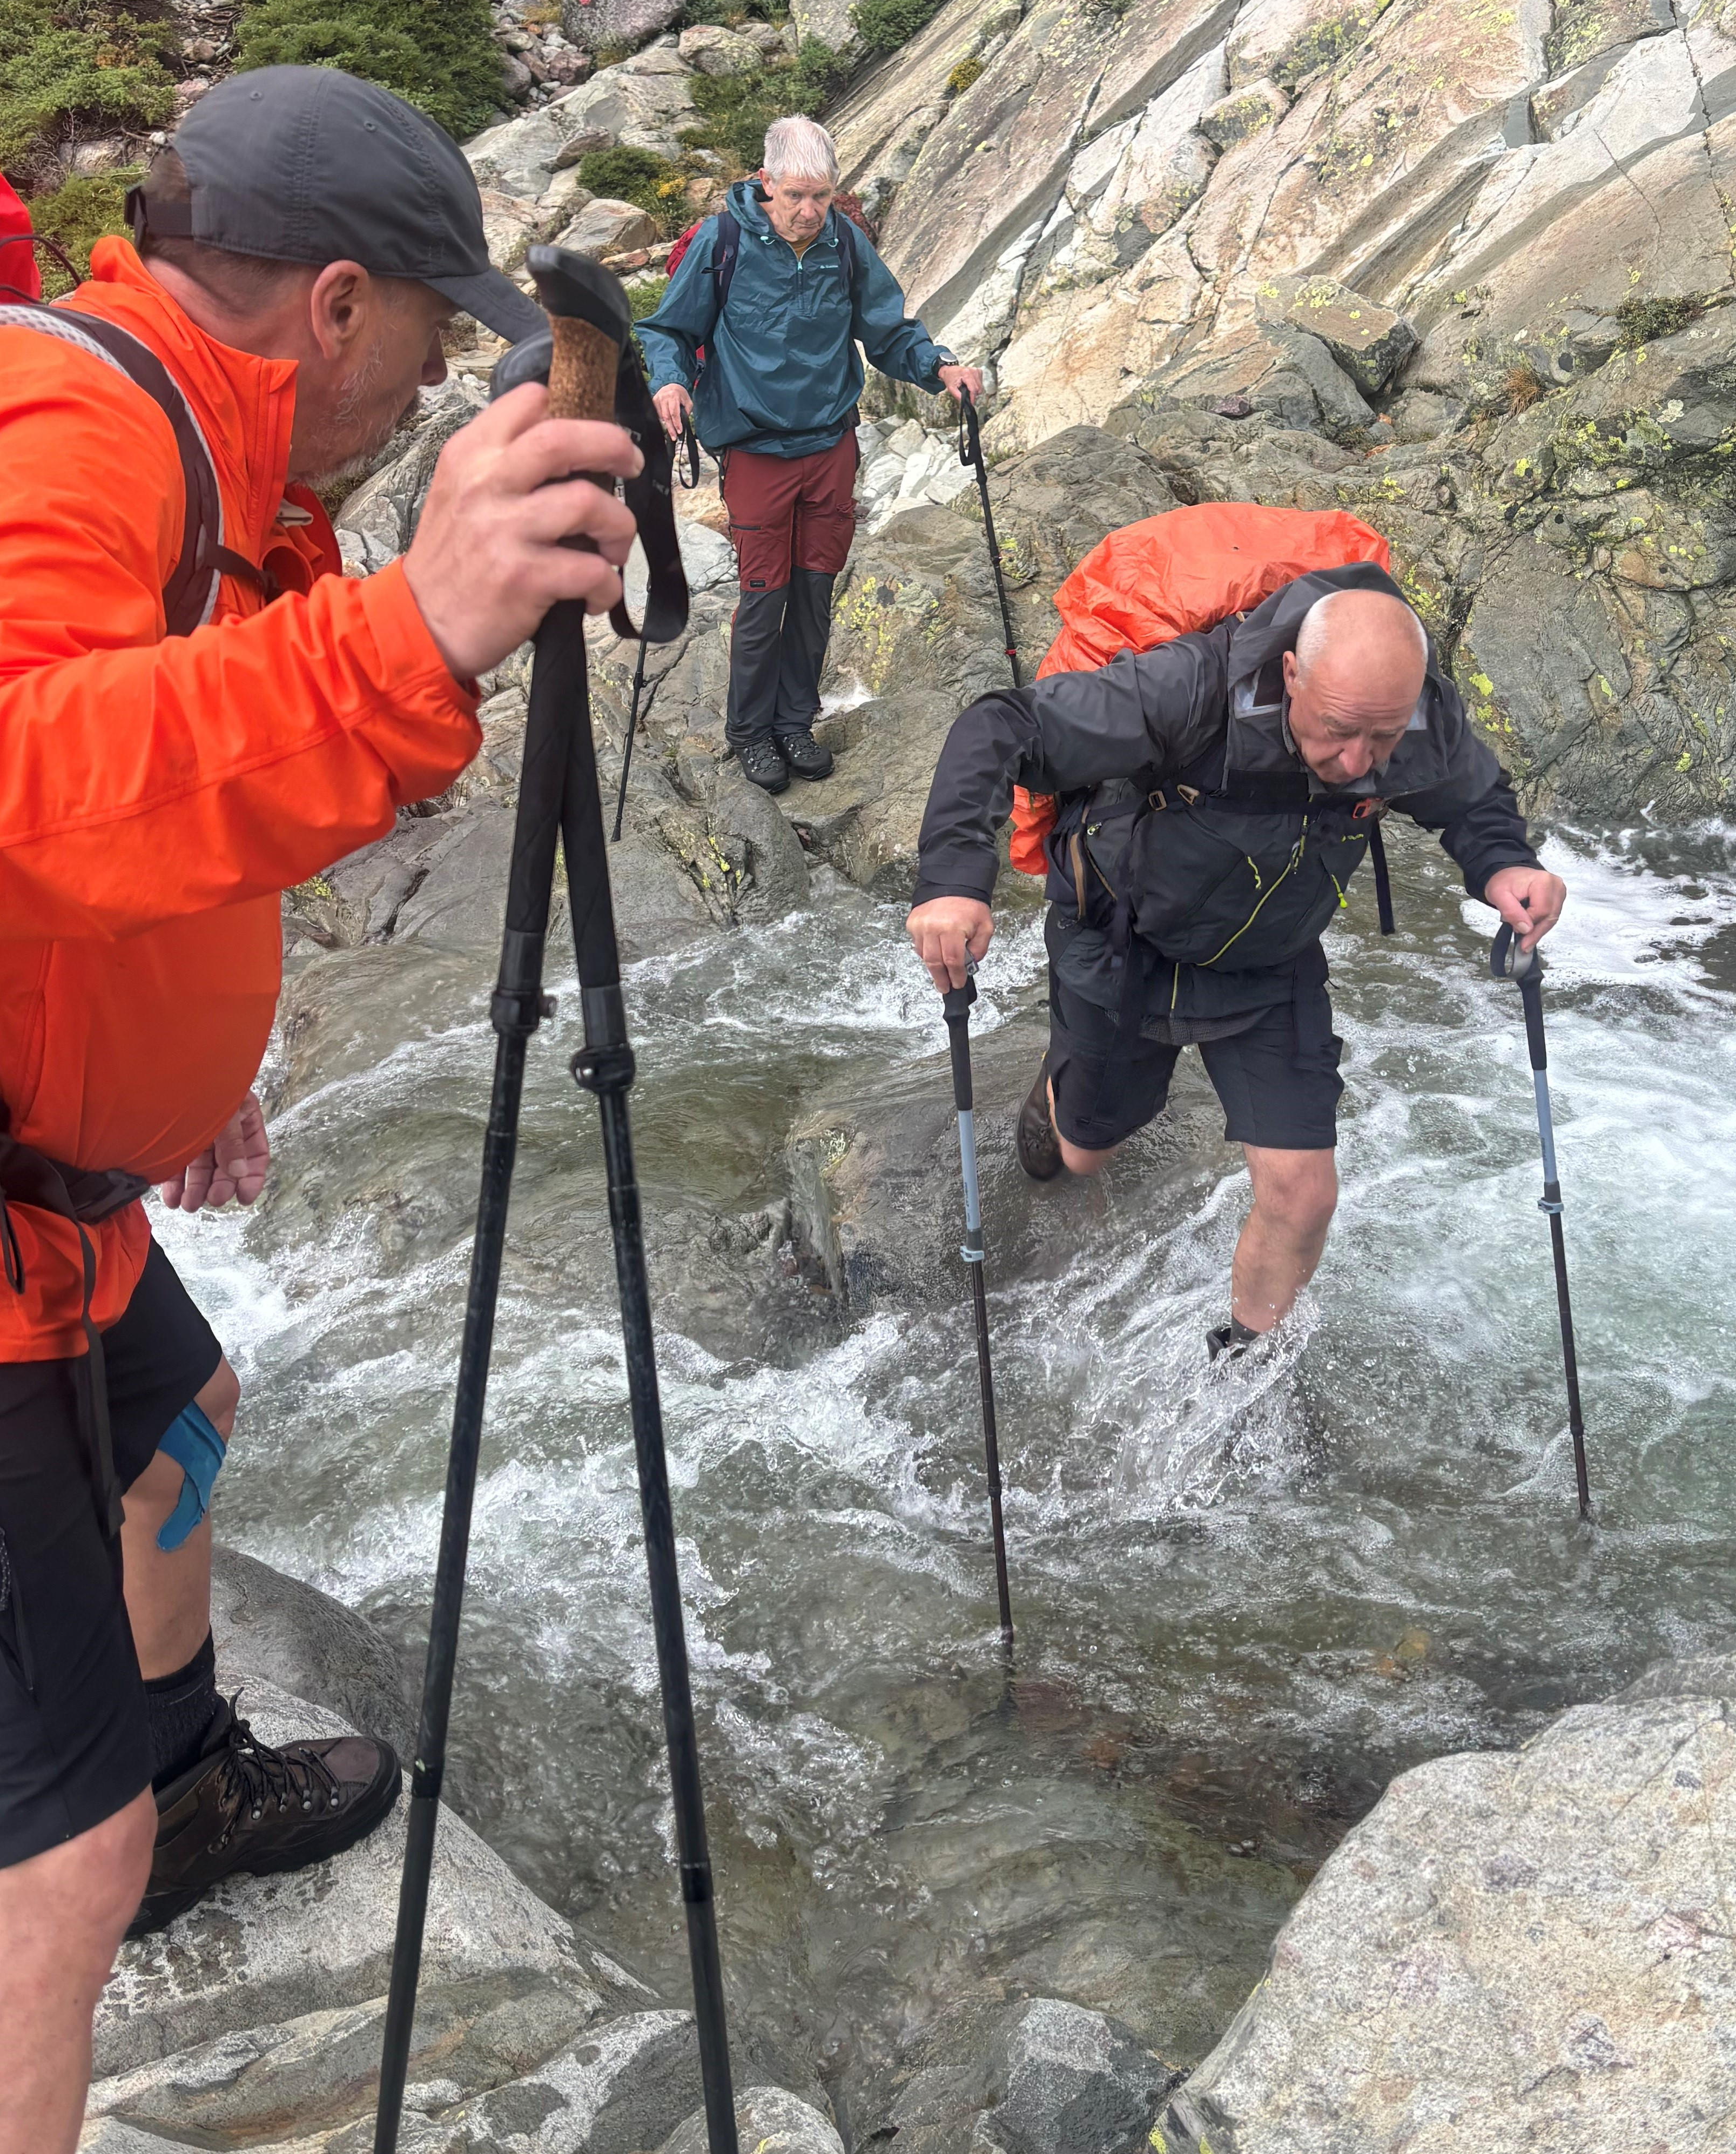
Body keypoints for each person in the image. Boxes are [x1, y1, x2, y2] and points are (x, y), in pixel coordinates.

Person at [0, 64, 642, 2154]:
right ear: (330, 300)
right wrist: (409, 635)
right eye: (418, 340)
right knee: (24, 1897)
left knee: (180, 1411)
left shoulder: (192, 449)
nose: (415, 395)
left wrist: (165, 1062)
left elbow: (88, 790)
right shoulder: (62, 416)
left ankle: (179, 1777)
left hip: (10, 1173)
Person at [905, 557, 1566, 1348]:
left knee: (1302, 1193)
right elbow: (1002, 726)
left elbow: (1472, 796)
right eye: (1337, 730)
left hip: (1270, 958)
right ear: (1291, 673)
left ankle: (1242, 1365)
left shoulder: (1413, 713)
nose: (1358, 761)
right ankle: (1057, 1096)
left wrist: (1504, 864)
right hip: (1126, 942)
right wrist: (952, 880)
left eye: (1381, 739)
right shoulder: (1186, 689)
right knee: (1084, 1153)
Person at [636, 113, 981, 797]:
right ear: (766, 183)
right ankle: (750, 734)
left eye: (820, 195)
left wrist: (940, 366)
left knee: (817, 590)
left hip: (830, 442)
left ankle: (796, 722)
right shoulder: (723, 240)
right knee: (767, 594)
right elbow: (668, 328)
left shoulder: (844, 244)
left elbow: (886, 332)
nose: (808, 210)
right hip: (757, 449)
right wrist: (670, 379)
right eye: (794, 195)